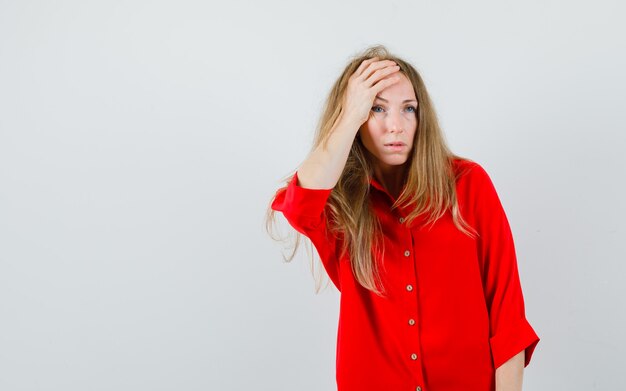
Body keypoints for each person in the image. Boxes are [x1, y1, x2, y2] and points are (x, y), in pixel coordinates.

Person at [265, 44, 540, 391]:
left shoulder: (468, 185)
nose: (395, 126)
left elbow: (507, 315)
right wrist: (349, 114)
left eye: (408, 109)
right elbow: (300, 203)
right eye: (376, 108)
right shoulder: (340, 204)